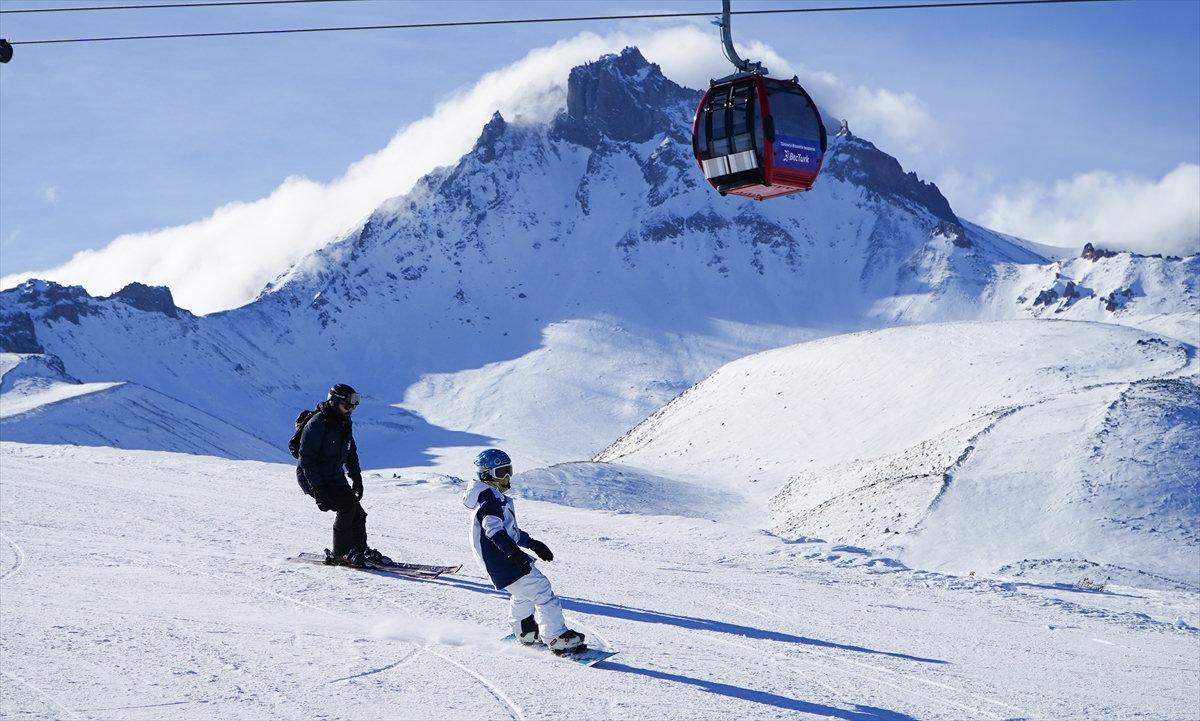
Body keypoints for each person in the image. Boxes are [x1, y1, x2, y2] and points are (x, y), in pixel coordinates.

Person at [462, 449, 585, 654]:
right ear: (486, 475)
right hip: (502, 559)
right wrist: (515, 554)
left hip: (496, 561)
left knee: (523, 593)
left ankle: (525, 631)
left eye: (508, 470)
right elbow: (494, 531)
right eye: (501, 472)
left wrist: (532, 543)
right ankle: (556, 636)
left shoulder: (490, 496)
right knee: (542, 590)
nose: (507, 477)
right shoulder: (489, 499)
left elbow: (510, 531)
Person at [297, 383, 390, 568]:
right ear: (334, 403)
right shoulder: (316, 425)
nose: (351, 409)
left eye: (354, 405)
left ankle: (360, 549)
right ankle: (341, 553)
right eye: (348, 405)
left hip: (334, 475)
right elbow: (307, 460)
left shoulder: (344, 421)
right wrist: (318, 490)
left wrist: (356, 477)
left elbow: (350, 450)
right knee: (346, 508)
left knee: (358, 512)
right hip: (313, 477)